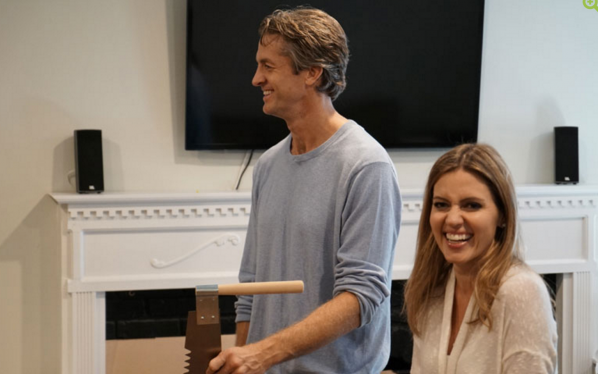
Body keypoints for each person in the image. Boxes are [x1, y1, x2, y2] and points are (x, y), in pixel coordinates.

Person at [207, 7, 402, 374]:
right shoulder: (267, 166)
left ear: (312, 72)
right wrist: (246, 357)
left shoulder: (366, 165)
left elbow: (361, 297)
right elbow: (251, 285)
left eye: (268, 66)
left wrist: (262, 354)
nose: (255, 79)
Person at [404, 143, 558, 373]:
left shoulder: (522, 291)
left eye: (472, 205)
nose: (453, 219)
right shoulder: (430, 287)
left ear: (503, 216)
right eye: (441, 205)